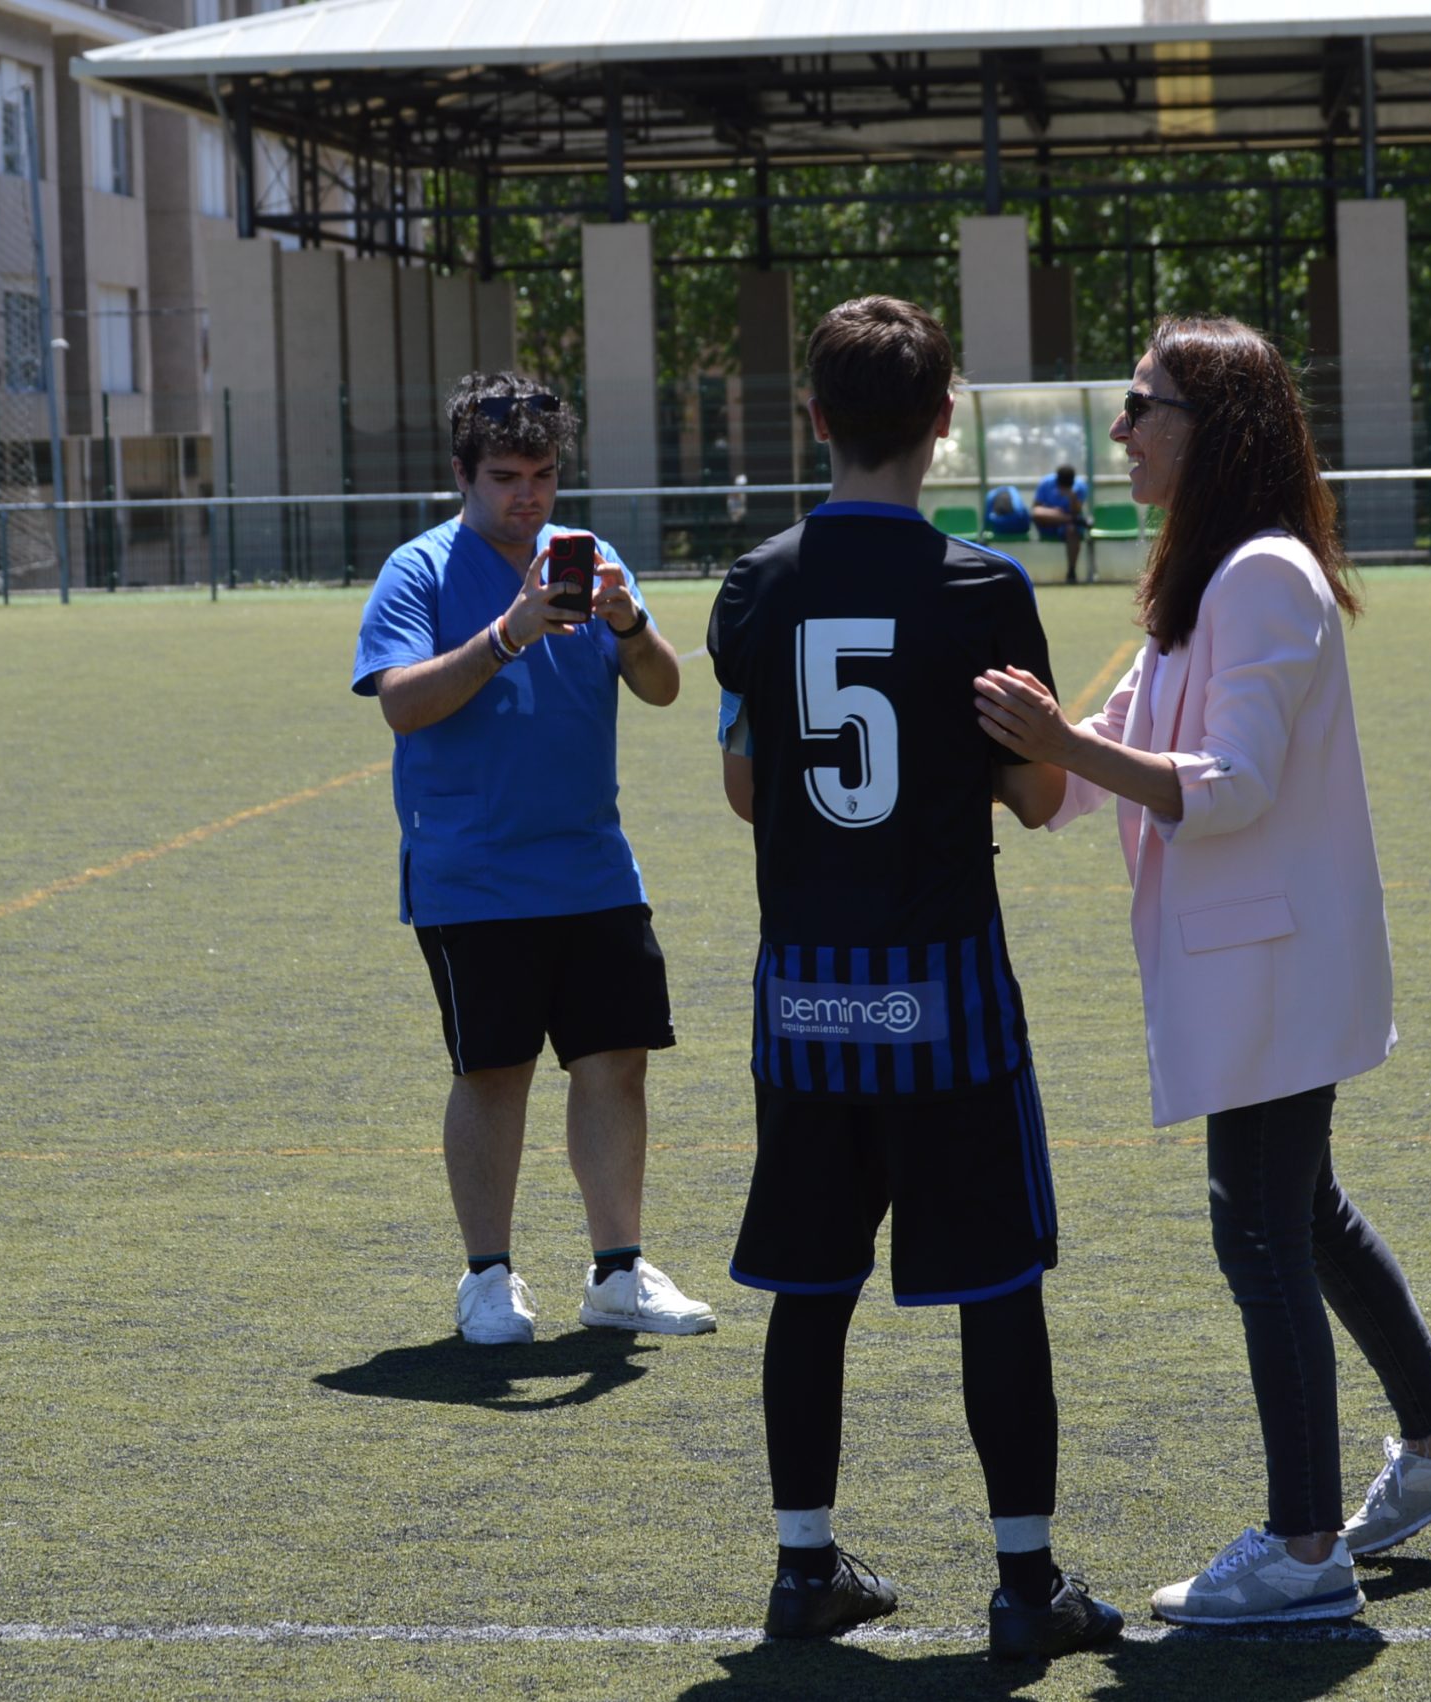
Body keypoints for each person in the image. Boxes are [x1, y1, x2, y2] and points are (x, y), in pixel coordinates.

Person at [974, 316, 1431, 1627]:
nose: (1121, 429)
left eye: (1142, 405)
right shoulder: (1205, 571)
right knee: (1304, 1210)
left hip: (1274, 960)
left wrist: (1061, 746)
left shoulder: (1261, 573)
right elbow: (1091, 765)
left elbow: (1230, 783)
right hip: (1257, 958)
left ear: (1211, 428)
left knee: (1261, 1224)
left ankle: (1304, 1544)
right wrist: (1007, 745)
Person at [710, 296, 1123, 1662]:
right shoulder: (985, 589)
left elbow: (743, 783)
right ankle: (1025, 1584)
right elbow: (1039, 790)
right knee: (997, 1284)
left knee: (808, 1289)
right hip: (944, 1003)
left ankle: (802, 1566)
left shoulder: (754, 587)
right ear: (944, 423)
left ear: (814, 418)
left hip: (806, 1006)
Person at [350, 371, 716, 1347]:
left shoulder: (591, 562)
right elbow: (400, 701)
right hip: (471, 876)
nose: (529, 496)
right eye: (507, 475)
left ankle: (619, 1271)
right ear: (462, 473)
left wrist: (627, 621)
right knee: (494, 1071)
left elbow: (666, 687)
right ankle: (487, 1279)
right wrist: (507, 634)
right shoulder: (418, 572)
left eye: (544, 475)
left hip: (595, 869)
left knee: (615, 1065)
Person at [1031, 463, 1093, 584]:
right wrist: (1053, 512)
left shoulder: (1079, 487)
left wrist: (1072, 497)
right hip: (1047, 523)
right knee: (1038, 513)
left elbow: (1077, 511)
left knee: (1072, 530)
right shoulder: (1046, 483)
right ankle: (1070, 519)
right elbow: (1036, 509)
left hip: (1067, 527)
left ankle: (1071, 571)